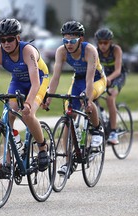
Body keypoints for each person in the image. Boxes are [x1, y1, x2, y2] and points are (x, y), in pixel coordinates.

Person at [0, 18, 50, 172]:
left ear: (18, 38)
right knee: (8, 115)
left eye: (9, 39)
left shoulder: (27, 51)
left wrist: (28, 104)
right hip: (18, 82)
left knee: (27, 114)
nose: (6, 43)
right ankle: (8, 162)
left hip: (39, 80)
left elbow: (35, 83)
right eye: (2, 40)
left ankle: (42, 148)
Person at [42, 21, 107, 175]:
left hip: (97, 80)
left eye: (72, 41)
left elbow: (90, 80)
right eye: (65, 41)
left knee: (89, 105)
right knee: (68, 115)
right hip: (77, 80)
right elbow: (55, 77)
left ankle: (97, 129)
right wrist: (48, 96)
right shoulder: (61, 52)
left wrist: (88, 99)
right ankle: (68, 161)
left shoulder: (90, 51)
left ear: (81, 39)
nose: (69, 44)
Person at [95, 28, 127, 145]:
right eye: (100, 43)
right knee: (92, 96)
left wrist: (108, 79)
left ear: (110, 42)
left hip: (118, 76)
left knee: (110, 98)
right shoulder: (95, 52)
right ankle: (101, 114)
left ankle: (113, 132)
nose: (103, 45)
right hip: (104, 77)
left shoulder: (116, 50)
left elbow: (118, 70)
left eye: (106, 42)